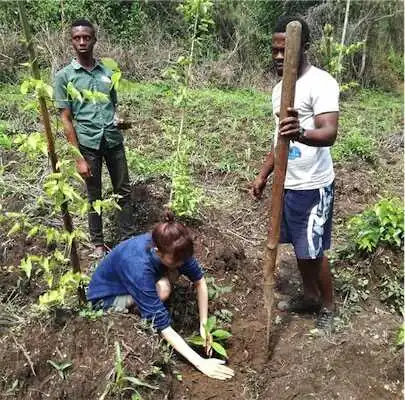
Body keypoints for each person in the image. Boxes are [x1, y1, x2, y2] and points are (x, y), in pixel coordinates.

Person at [251, 16, 339, 332]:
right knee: (300, 248)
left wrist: (301, 132)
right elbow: (279, 140)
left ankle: (328, 307)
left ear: (304, 47)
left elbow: (329, 133)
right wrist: (263, 176)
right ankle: (310, 296)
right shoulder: (279, 90)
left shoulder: (322, 83)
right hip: (288, 184)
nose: (278, 56)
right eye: (274, 50)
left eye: (284, 50)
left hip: (314, 186)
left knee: (313, 251)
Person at [87, 212, 235, 380]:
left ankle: (145, 302)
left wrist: (204, 325)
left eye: (183, 260)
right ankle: (138, 313)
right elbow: (162, 325)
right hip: (106, 298)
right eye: (176, 262)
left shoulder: (175, 247)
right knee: (163, 289)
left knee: (167, 281)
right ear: (157, 252)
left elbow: (199, 281)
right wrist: (201, 363)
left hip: (134, 280)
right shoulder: (138, 266)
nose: (181, 265)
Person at [54, 19, 134, 258]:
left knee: (123, 190)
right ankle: (98, 243)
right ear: (71, 41)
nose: (82, 42)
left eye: (86, 37)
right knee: (93, 194)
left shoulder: (107, 72)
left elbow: (112, 105)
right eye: (77, 38)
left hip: (112, 140)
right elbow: (66, 119)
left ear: (94, 40)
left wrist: (119, 120)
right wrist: (78, 158)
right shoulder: (64, 77)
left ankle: (127, 238)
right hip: (88, 143)